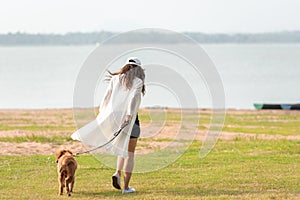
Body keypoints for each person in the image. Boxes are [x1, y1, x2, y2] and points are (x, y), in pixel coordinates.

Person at [71, 57, 145, 194]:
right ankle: (126, 187)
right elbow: (134, 98)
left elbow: (106, 97)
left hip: (113, 118)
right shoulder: (138, 81)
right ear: (139, 69)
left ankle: (117, 173)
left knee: (123, 148)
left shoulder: (115, 79)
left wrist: (103, 114)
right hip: (130, 120)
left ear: (126, 67)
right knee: (130, 153)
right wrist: (128, 116)